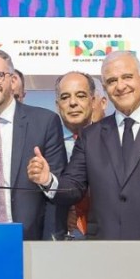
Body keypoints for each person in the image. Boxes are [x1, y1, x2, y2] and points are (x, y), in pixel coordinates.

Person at [29, 51, 140, 271]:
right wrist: (47, 179)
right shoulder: (90, 136)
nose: (120, 86)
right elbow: (73, 187)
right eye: (111, 81)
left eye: (127, 77)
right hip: (103, 258)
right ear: (105, 89)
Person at [0, 48, 67, 239]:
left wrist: (46, 179)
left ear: (13, 79)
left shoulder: (44, 122)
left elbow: (62, 190)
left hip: (28, 240)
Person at [54, 71, 98, 238]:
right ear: (57, 105)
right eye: (65, 97)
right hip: (56, 238)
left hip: (104, 238)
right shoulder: (44, 144)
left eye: (80, 96)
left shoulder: (112, 139)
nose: (73, 103)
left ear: (93, 101)